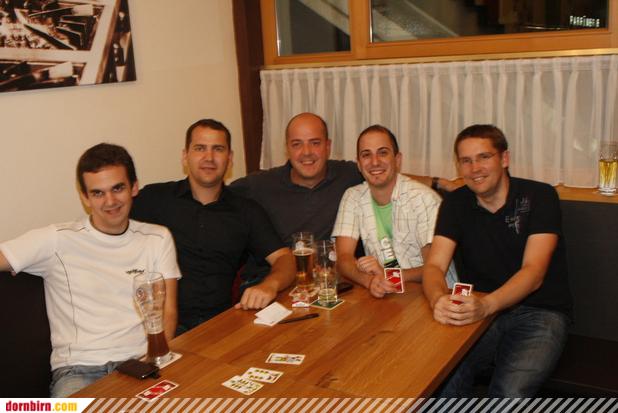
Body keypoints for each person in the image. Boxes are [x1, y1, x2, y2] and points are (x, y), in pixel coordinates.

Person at [0, 143, 181, 397]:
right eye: (98, 193)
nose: (110, 201)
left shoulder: (157, 238)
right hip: (79, 372)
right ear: (85, 197)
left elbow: (168, 312)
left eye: (117, 188)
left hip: (141, 364)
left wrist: (156, 361)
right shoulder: (57, 239)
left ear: (134, 187)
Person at [422, 124, 572, 397]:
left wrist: (487, 305)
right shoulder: (455, 204)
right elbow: (434, 266)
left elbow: (534, 272)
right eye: (466, 161)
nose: (474, 168)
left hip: (540, 311)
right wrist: (437, 300)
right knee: (440, 378)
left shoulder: (540, 196)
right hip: (479, 313)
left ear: (504, 158)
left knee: (509, 394)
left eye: (484, 157)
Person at [230, 112, 460, 283]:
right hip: (282, 282)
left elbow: (384, 173)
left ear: (328, 146)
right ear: (287, 149)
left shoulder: (347, 175)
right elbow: (344, 258)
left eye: (315, 143)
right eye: (297, 144)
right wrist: (370, 281)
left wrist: (441, 183)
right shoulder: (260, 184)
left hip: (421, 290)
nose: (306, 152)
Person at [131, 118, 295, 334]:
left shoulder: (246, 211)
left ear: (230, 158)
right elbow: (111, 223)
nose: (209, 157)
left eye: (218, 149)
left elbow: (285, 258)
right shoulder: (154, 199)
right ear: (185, 156)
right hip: (162, 325)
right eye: (200, 148)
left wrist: (269, 285)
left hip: (221, 324)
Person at [332, 125, 457, 298]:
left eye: (383, 153)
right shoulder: (352, 196)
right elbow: (343, 259)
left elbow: (434, 268)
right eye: (366, 155)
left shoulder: (423, 199)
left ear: (397, 160)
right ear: (359, 164)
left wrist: (388, 275)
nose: (375, 162)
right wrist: (369, 281)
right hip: (387, 295)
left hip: (434, 295)